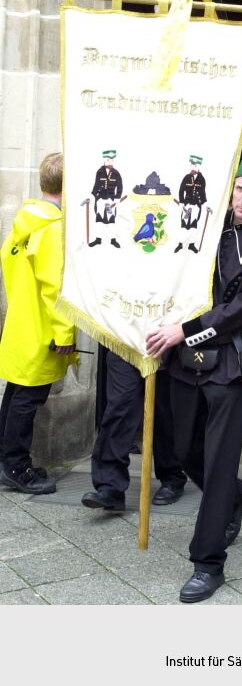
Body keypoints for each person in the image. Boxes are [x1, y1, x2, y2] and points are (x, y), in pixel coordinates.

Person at [146, 145, 242, 603]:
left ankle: (208, 563)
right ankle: (233, 495)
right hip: (186, 359)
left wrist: (183, 330)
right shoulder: (210, 231)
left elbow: (241, 310)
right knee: (184, 451)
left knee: (219, 461)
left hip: (232, 364)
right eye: (240, 189)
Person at [0, 152, 77, 495]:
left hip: (21, 323)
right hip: (43, 330)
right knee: (26, 400)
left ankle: (5, 461)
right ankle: (16, 466)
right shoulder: (53, 228)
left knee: (16, 394)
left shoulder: (27, 218)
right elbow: (54, 288)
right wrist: (65, 333)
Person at [81, 354, 187, 511]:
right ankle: (111, 486)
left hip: (165, 346)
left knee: (164, 412)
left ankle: (172, 476)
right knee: (119, 408)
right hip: (124, 342)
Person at [89, 149, 123, 248]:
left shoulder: (116, 173)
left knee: (111, 220)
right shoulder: (99, 172)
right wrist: (92, 195)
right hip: (100, 200)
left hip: (109, 202)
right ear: (104, 160)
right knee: (99, 219)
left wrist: (117, 198)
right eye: (108, 159)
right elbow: (96, 185)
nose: (110, 162)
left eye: (112, 160)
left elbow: (120, 187)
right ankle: (98, 239)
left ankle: (113, 240)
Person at [174, 155, 207, 254]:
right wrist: (181, 202)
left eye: (195, 165)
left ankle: (191, 245)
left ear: (198, 166)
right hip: (187, 205)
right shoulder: (187, 177)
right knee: (184, 224)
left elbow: (202, 192)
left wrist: (205, 203)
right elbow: (181, 190)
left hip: (196, 205)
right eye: (192, 165)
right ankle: (180, 244)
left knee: (193, 224)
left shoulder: (202, 179)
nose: (192, 167)